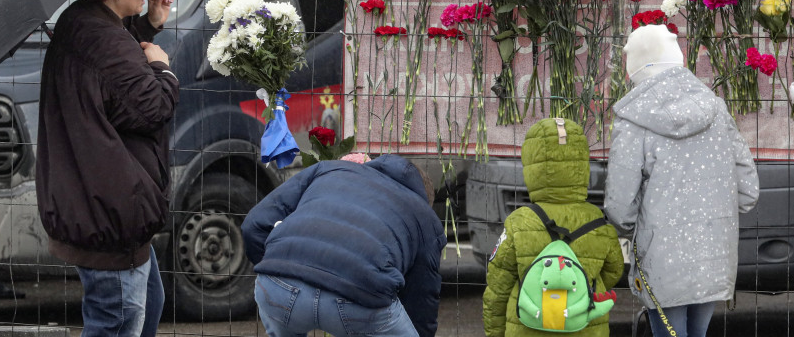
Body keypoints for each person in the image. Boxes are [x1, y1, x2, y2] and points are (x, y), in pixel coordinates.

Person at [35, 0, 179, 337]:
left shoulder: (80, 20)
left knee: (148, 306)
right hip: (110, 212)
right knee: (116, 322)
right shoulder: (105, 41)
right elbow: (152, 108)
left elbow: (113, 73)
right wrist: (164, 70)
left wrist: (148, 25)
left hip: (98, 200)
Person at [604, 25, 759, 337]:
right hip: (714, 252)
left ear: (635, 67)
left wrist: (637, 225)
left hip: (661, 256)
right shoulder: (715, 108)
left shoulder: (632, 120)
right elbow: (748, 191)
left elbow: (619, 209)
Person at [241, 154, 446, 337]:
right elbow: (421, 297)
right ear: (424, 197)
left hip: (277, 288)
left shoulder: (328, 169)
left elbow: (253, 225)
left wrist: (279, 270)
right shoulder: (424, 215)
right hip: (359, 297)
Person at [483, 117, 625, 337]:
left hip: (526, 328)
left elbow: (497, 287)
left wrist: (495, 333)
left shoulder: (520, 222)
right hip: (585, 328)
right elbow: (614, 270)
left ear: (531, 165)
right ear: (581, 165)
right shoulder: (598, 222)